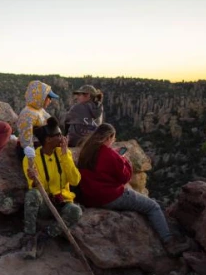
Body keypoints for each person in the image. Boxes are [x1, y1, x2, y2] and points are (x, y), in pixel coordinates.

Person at [77, 123, 190, 257]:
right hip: (110, 197)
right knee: (153, 206)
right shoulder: (109, 154)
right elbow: (124, 178)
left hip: (90, 197)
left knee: (149, 202)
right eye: (113, 138)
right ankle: (169, 242)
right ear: (109, 138)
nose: (113, 141)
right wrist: (124, 160)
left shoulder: (86, 151)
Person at [21, 117, 82, 260]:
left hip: (63, 202)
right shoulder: (30, 159)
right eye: (58, 135)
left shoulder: (64, 154)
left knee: (75, 211)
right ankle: (29, 236)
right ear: (48, 139)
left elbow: (75, 180)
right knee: (32, 194)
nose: (62, 138)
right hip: (45, 204)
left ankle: (44, 236)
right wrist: (34, 178)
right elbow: (35, 187)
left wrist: (65, 156)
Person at [15, 80, 60, 161]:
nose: (50, 101)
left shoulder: (40, 110)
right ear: (41, 97)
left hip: (41, 145)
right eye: (49, 97)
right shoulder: (28, 114)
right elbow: (26, 138)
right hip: (30, 149)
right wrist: (31, 156)